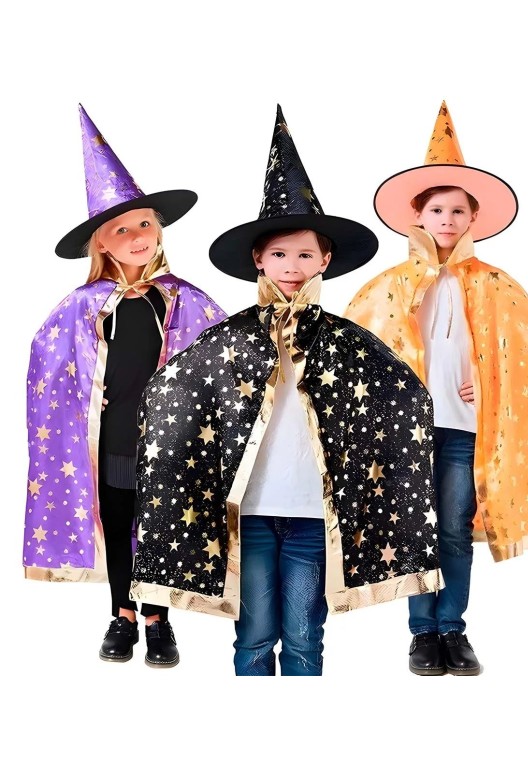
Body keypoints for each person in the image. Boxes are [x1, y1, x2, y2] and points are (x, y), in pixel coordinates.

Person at [130, 104, 443, 676]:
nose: (292, 265)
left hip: (311, 515)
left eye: (304, 254)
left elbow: (407, 394)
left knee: (303, 638)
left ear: (325, 259)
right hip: (249, 514)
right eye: (279, 253)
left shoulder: (345, 341)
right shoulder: (230, 339)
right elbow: (172, 389)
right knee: (253, 638)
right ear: (259, 259)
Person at [345, 101, 528, 676]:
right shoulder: (388, 287)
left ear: (473, 217)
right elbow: (359, 354)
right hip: (406, 431)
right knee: (416, 529)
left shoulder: (495, 286)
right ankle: (421, 633)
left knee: (455, 529)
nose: (448, 219)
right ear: (418, 214)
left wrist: (488, 387)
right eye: (437, 209)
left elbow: (526, 360)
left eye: (459, 210)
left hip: (461, 427)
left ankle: (452, 628)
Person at [23, 105, 225, 668]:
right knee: (118, 523)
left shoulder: (184, 299)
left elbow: (219, 358)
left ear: (159, 229)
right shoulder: (84, 306)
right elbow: (47, 364)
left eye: (145, 225)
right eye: (122, 230)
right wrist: (86, 394)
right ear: (103, 245)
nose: (137, 237)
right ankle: (123, 614)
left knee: (159, 524)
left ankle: (159, 620)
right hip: (113, 434)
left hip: (169, 438)